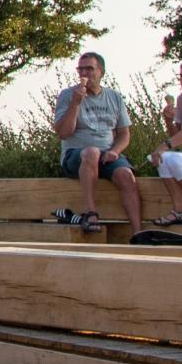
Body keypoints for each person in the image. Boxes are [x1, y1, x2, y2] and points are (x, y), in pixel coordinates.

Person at [51, 52, 140, 234]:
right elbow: (63, 133)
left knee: (125, 175)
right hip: (76, 155)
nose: (84, 73)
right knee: (91, 152)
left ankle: (138, 232)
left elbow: (124, 134)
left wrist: (115, 151)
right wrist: (75, 104)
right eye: (80, 69)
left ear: (101, 72)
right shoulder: (68, 95)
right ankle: (91, 213)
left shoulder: (114, 97)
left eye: (89, 69)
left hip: (107, 153)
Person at [145, 59, 182, 227]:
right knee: (163, 158)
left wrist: (163, 146)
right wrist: (168, 120)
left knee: (170, 157)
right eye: (181, 77)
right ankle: (179, 210)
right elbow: (178, 137)